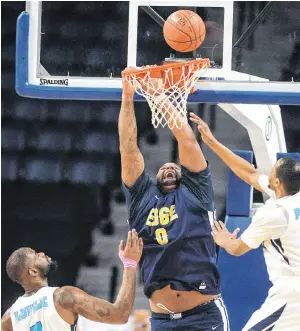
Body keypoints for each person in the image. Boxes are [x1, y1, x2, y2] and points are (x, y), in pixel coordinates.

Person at [190, 112, 300, 331]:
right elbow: (249, 173)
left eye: (271, 172)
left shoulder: (274, 214)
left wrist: (223, 240)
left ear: (278, 182)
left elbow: (237, 249)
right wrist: (213, 142)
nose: (268, 173)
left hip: (292, 296)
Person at [118, 71, 229, 331]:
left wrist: (159, 97)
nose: (169, 168)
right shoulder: (141, 198)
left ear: (185, 175)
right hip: (161, 319)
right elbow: (128, 147)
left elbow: (187, 139)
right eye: (164, 168)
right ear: (153, 177)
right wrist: (127, 96)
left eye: (174, 168)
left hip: (204, 315)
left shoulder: (197, 191)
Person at [1, 230, 143, 331]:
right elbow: (120, 314)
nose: (42, 253)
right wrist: (130, 264)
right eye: (36, 255)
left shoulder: (8, 319)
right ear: (33, 271)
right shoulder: (63, 297)